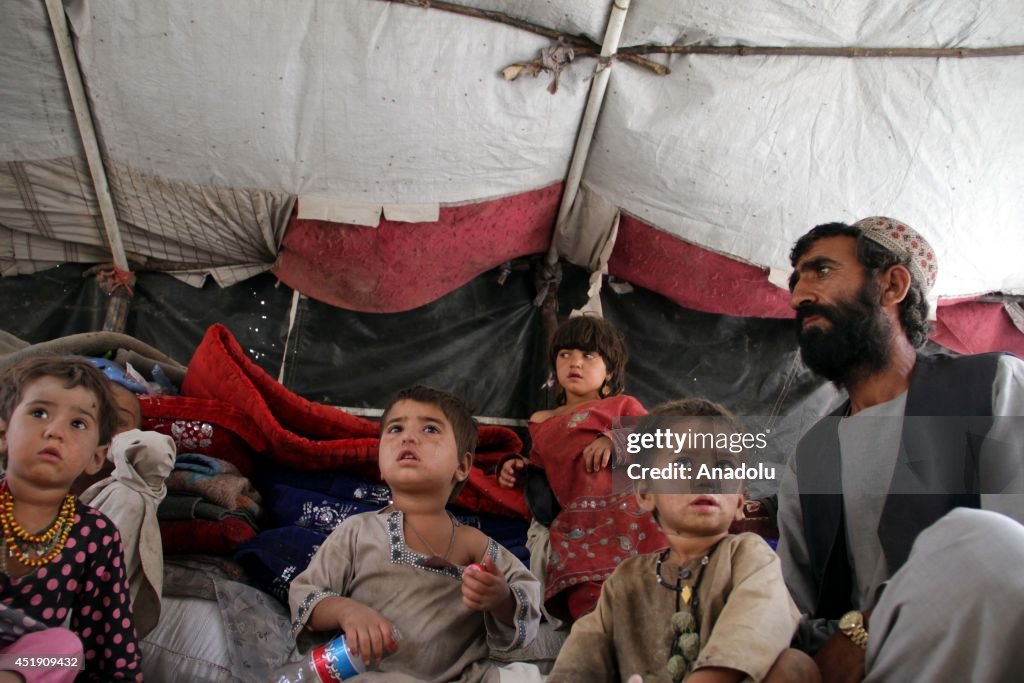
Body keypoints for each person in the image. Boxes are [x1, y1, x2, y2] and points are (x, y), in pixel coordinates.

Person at [778, 217, 1024, 682]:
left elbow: (1006, 555)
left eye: (821, 271)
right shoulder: (812, 455)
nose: (798, 296)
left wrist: (867, 632)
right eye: (796, 280)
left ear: (892, 285)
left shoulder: (990, 388)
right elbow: (794, 606)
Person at [548, 398, 816, 683]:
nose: (705, 477)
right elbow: (579, 662)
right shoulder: (625, 581)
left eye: (724, 466)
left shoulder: (749, 555)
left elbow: (757, 625)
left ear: (740, 499)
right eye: (684, 462)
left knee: (793, 666)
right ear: (645, 493)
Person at [287, 385, 542, 683]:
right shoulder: (358, 533)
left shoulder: (475, 544)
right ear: (381, 465)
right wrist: (346, 611)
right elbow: (306, 594)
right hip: (372, 677)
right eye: (395, 429)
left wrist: (500, 598)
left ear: (462, 466)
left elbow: (526, 599)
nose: (408, 437)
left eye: (430, 429)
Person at [498, 314, 664, 621]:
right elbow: (543, 467)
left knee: (653, 591)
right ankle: (595, 651)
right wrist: (518, 467)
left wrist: (614, 439)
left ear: (609, 373)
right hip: (579, 528)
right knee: (589, 605)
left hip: (632, 518)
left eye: (588, 356)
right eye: (565, 355)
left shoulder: (621, 406)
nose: (575, 362)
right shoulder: (541, 420)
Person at [0, 356, 143, 682]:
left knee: (64, 648)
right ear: (3, 434)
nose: (54, 431)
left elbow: (109, 639)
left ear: (96, 457)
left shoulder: (95, 535)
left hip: (18, 668)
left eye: (77, 424)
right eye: (39, 413)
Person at [79, 381, 176, 638]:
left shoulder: (128, 495)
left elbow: (154, 452)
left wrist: (110, 445)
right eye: (87, 417)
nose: (104, 426)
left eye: (118, 420)